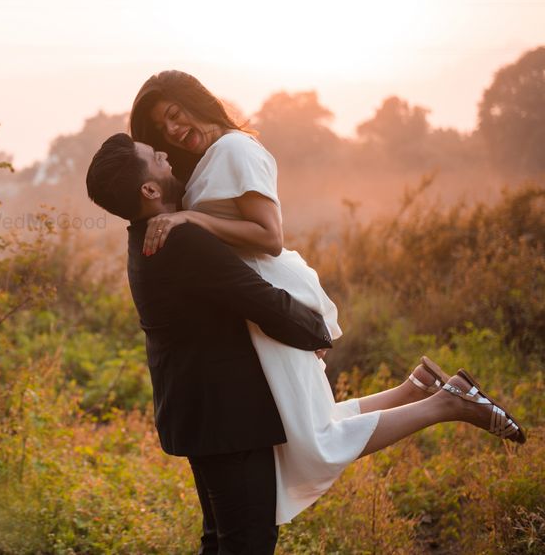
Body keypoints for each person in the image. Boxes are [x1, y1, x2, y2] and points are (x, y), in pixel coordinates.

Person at [85, 132, 525, 554]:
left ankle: (422, 393)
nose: (165, 154)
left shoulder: (145, 238)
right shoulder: (179, 241)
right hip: (227, 422)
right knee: (245, 543)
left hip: (203, 417)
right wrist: (314, 333)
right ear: (148, 188)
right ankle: (443, 401)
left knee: (222, 540)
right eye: (156, 157)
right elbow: (263, 300)